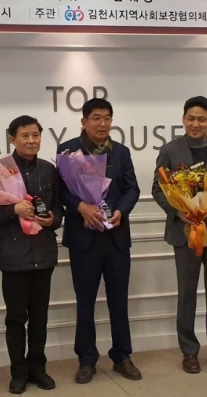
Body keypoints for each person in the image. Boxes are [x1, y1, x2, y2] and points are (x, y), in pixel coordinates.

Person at [152, 95, 207, 374]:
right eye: (191, 118)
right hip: (186, 231)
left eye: (202, 119)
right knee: (187, 294)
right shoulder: (170, 150)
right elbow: (157, 188)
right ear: (183, 120)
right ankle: (189, 351)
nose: (195, 123)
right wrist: (177, 211)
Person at [57, 98, 142, 384]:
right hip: (84, 240)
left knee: (119, 301)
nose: (102, 123)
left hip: (115, 237)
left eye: (107, 118)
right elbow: (61, 191)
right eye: (96, 118)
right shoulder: (68, 151)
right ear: (84, 122)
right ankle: (86, 360)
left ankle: (122, 356)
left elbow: (132, 188)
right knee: (85, 302)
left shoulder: (121, 152)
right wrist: (80, 206)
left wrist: (121, 211)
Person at [0, 116, 64, 394]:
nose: (31, 141)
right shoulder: (0, 169)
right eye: (25, 136)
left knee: (40, 318)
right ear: (12, 139)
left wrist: (53, 219)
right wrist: (13, 210)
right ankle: (18, 371)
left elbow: (59, 207)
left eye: (35, 135)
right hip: (14, 256)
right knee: (16, 319)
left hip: (43, 253)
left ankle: (37, 368)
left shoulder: (48, 169)